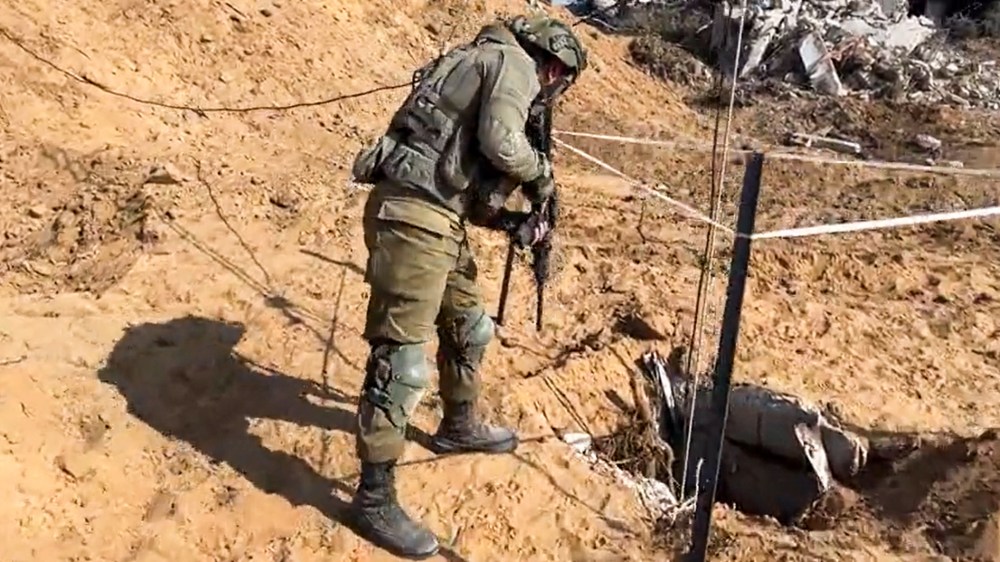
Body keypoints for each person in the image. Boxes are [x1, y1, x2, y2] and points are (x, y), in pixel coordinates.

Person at [346, 13, 587, 560]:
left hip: (436, 217)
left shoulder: (480, 61)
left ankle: (458, 425)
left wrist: (511, 223)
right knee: (401, 362)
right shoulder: (515, 65)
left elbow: (465, 185)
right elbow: (502, 143)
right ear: (555, 66)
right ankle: (373, 497)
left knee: (470, 327)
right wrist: (541, 174)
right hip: (413, 217)